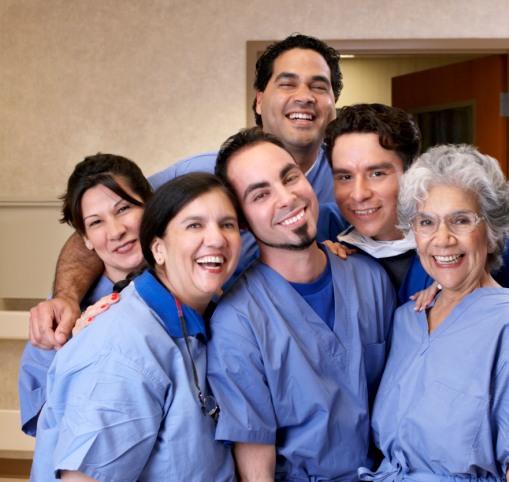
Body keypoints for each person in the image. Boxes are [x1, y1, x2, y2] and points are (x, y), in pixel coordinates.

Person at [29, 33, 342, 351]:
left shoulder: (347, 179)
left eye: (318, 86)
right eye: (288, 84)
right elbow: (108, 222)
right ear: (260, 100)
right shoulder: (200, 174)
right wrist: (67, 296)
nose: (304, 96)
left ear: (332, 105)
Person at [206, 127, 397, 482]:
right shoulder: (237, 321)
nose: (287, 198)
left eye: (290, 178)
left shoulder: (370, 278)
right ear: (243, 221)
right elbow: (256, 466)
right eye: (261, 194)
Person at [364, 144, 509, 482]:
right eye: (427, 222)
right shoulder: (407, 318)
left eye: (461, 220)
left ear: (493, 235)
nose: (442, 239)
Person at [31, 172, 240, 481]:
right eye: (194, 225)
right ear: (157, 248)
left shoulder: (201, 314)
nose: (216, 238)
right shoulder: (121, 349)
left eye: (227, 224)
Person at [318, 103, 509, 303]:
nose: (358, 194)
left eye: (377, 173)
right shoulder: (328, 242)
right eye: (345, 177)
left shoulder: (478, 245)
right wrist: (319, 262)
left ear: (414, 171)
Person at [18, 153, 153, 437]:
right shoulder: (58, 320)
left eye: (123, 208)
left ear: (151, 202)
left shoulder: (196, 292)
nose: (116, 231)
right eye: (96, 223)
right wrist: (80, 354)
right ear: (86, 240)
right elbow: (47, 425)